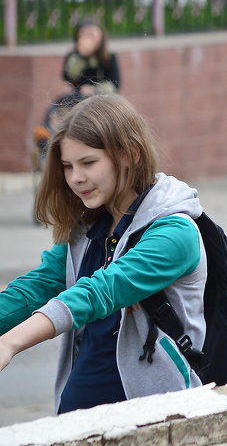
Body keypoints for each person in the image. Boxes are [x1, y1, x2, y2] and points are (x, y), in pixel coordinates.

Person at [0, 94, 207, 413]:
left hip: (156, 421)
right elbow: (36, 288)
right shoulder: (88, 228)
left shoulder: (174, 233)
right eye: (68, 166)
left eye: (88, 163)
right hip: (79, 418)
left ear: (130, 155)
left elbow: (100, 292)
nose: (75, 178)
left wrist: (10, 343)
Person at [63, 19, 121, 93]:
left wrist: (94, 89)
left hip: (104, 98)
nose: (88, 39)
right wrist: (81, 57)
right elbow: (69, 77)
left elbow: (115, 84)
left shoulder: (109, 57)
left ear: (101, 37)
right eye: (84, 35)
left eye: (92, 35)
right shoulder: (73, 57)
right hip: (79, 98)